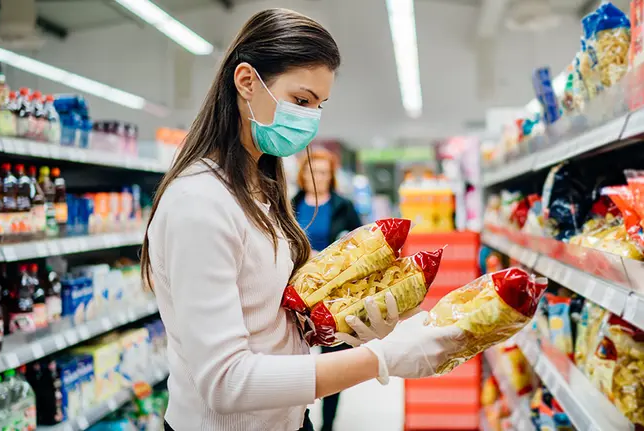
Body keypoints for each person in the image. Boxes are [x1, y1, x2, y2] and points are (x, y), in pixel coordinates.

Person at [141, 8, 463, 431]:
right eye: (301, 101)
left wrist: (349, 324)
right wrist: (379, 361)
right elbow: (226, 382)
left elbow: (267, 319)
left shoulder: (259, 187)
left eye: (319, 105)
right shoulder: (199, 202)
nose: (310, 118)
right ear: (246, 82)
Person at [292, 149, 362, 431]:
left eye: (323, 172)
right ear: (302, 175)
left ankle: (327, 424)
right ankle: (299, 413)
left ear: (331, 177)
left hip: (336, 297)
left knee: (335, 358)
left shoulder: (344, 207)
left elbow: (361, 243)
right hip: (299, 295)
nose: (317, 177)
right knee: (296, 357)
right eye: (311, 171)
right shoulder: (291, 204)